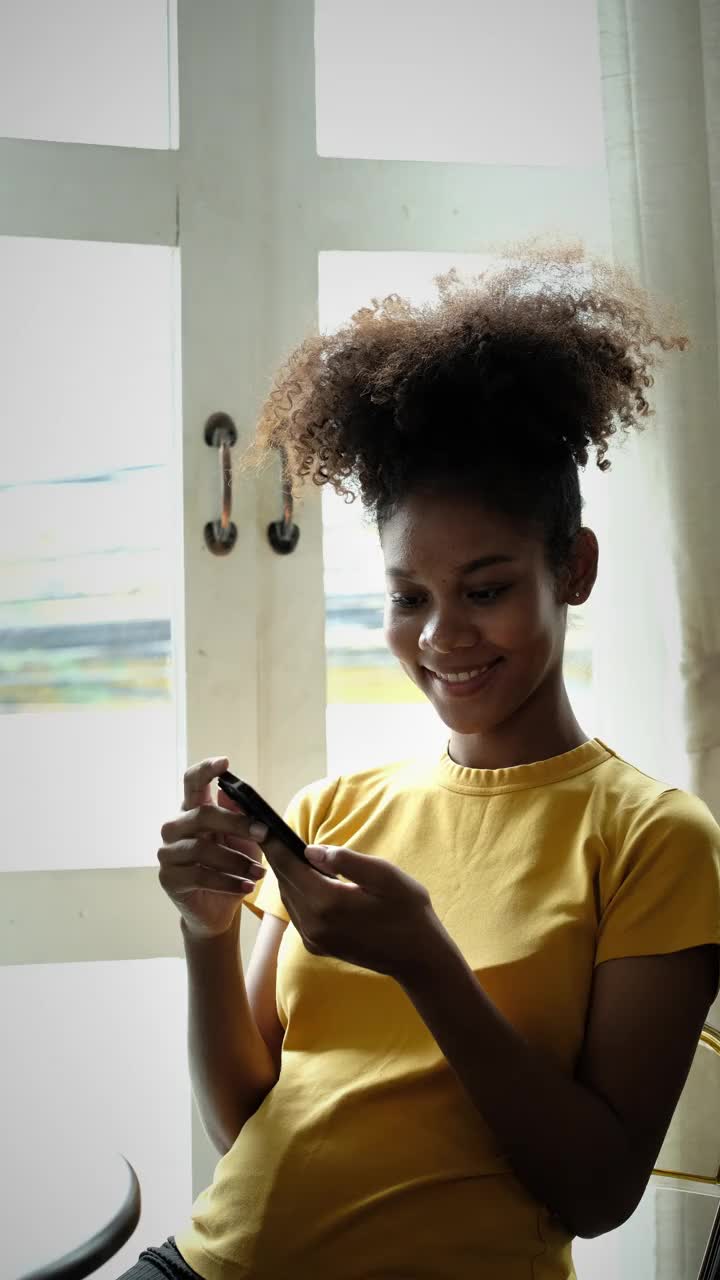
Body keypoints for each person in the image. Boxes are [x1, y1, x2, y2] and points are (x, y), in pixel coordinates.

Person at [119, 238, 720, 1279]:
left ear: (571, 568)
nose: (441, 634)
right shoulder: (338, 805)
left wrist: (428, 965)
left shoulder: (652, 838)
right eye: (409, 597)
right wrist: (206, 933)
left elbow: (597, 1190)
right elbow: (246, 1122)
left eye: (484, 588)